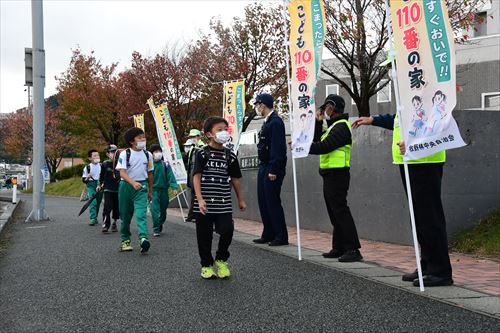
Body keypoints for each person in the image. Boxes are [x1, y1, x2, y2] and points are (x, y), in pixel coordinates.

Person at [352, 113, 453, 287]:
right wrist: (374, 120)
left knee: (429, 216)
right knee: (419, 218)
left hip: (425, 159)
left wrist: (415, 144)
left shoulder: (427, 93)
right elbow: (400, 119)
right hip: (410, 159)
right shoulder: (409, 96)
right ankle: (428, 264)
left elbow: (437, 122)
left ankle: (440, 270)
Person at [309, 94, 362, 262]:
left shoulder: (341, 126)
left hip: (338, 174)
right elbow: (317, 140)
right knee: (334, 212)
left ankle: (353, 249)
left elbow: (323, 146)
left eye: (327, 107)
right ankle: (339, 247)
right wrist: (318, 123)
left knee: (340, 211)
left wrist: (303, 147)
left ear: (334, 108)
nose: (325, 111)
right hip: (330, 174)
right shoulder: (332, 127)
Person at [192, 116, 246, 279]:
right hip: (205, 203)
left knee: (227, 230)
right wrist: (199, 199)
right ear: (209, 134)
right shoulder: (201, 154)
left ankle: (221, 259)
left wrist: (240, 199)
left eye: (225, 129)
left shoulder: (230, 155)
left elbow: (235, 178)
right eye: (219, 130)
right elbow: (196, 176)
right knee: (204, 235)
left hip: (224, 202)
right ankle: (206, 265)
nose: (224, 132)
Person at [253, 93, 289, 246]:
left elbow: (277, 148)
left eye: (257, 104)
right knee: (263, 200)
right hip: (264, 165)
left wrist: (274, 169)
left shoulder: (275, 122)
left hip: (272, 166)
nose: (256, 108)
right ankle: (268, 233)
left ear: (263, 104)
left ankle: (281, 236)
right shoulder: (266, 122)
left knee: (272, 201)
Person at [115, 127, 154, 254]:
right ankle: (125, 240)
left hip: (141, 187)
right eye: (140, 137)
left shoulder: (148, 155)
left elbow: (150, 174)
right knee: (125, 216)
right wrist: (132, 183)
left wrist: (150, 191)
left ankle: (143, 239)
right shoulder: (125, 154)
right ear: (132, 141)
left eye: (144, 136)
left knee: (141, 214)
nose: (143, 139)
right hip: (126, 186)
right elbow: (122, 173)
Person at [150, 144, 178, 237]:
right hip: (153, 191)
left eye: (159, 151)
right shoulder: (149, 165)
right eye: (155, 152)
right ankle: (156, 228)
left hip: (164, 191)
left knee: (163, 210)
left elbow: (170, 176)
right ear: (152, 154)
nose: (158, 153)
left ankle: (160, 222)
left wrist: (174, 187)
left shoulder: (165, 165)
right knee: (154, 210)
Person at [98, 145, 121, 233]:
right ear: (107, 154)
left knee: (116, 207)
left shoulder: (121, 163)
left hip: (118, 189)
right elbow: (101, 176)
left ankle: (114, 223)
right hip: (107, 189)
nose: (113, 154)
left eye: (115, 152)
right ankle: (105, 225)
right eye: (111, 152)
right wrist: (100, 184)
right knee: (107, 207)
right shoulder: (105, 164)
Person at [185, 130, 205, 223]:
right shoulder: (193, 148)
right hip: (191, 175)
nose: (192, 139)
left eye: (194, 137)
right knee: (193, 196)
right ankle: (192, 215)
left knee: (197, 196)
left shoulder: (202, 147)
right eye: (191, 137)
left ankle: (195, 216)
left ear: (199, 136)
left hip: (198, 175)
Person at [82, 149, 103, 226]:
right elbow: (84, 180)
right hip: (91, 185)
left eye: (98, 155)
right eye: (94, 156)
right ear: (90, 158)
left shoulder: (102, 166)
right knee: (92, 201)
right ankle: (92, 218)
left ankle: (95, 217)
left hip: (100, 185)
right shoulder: (87, 167)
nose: (97, 157)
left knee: (98, 202)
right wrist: (87, 177)